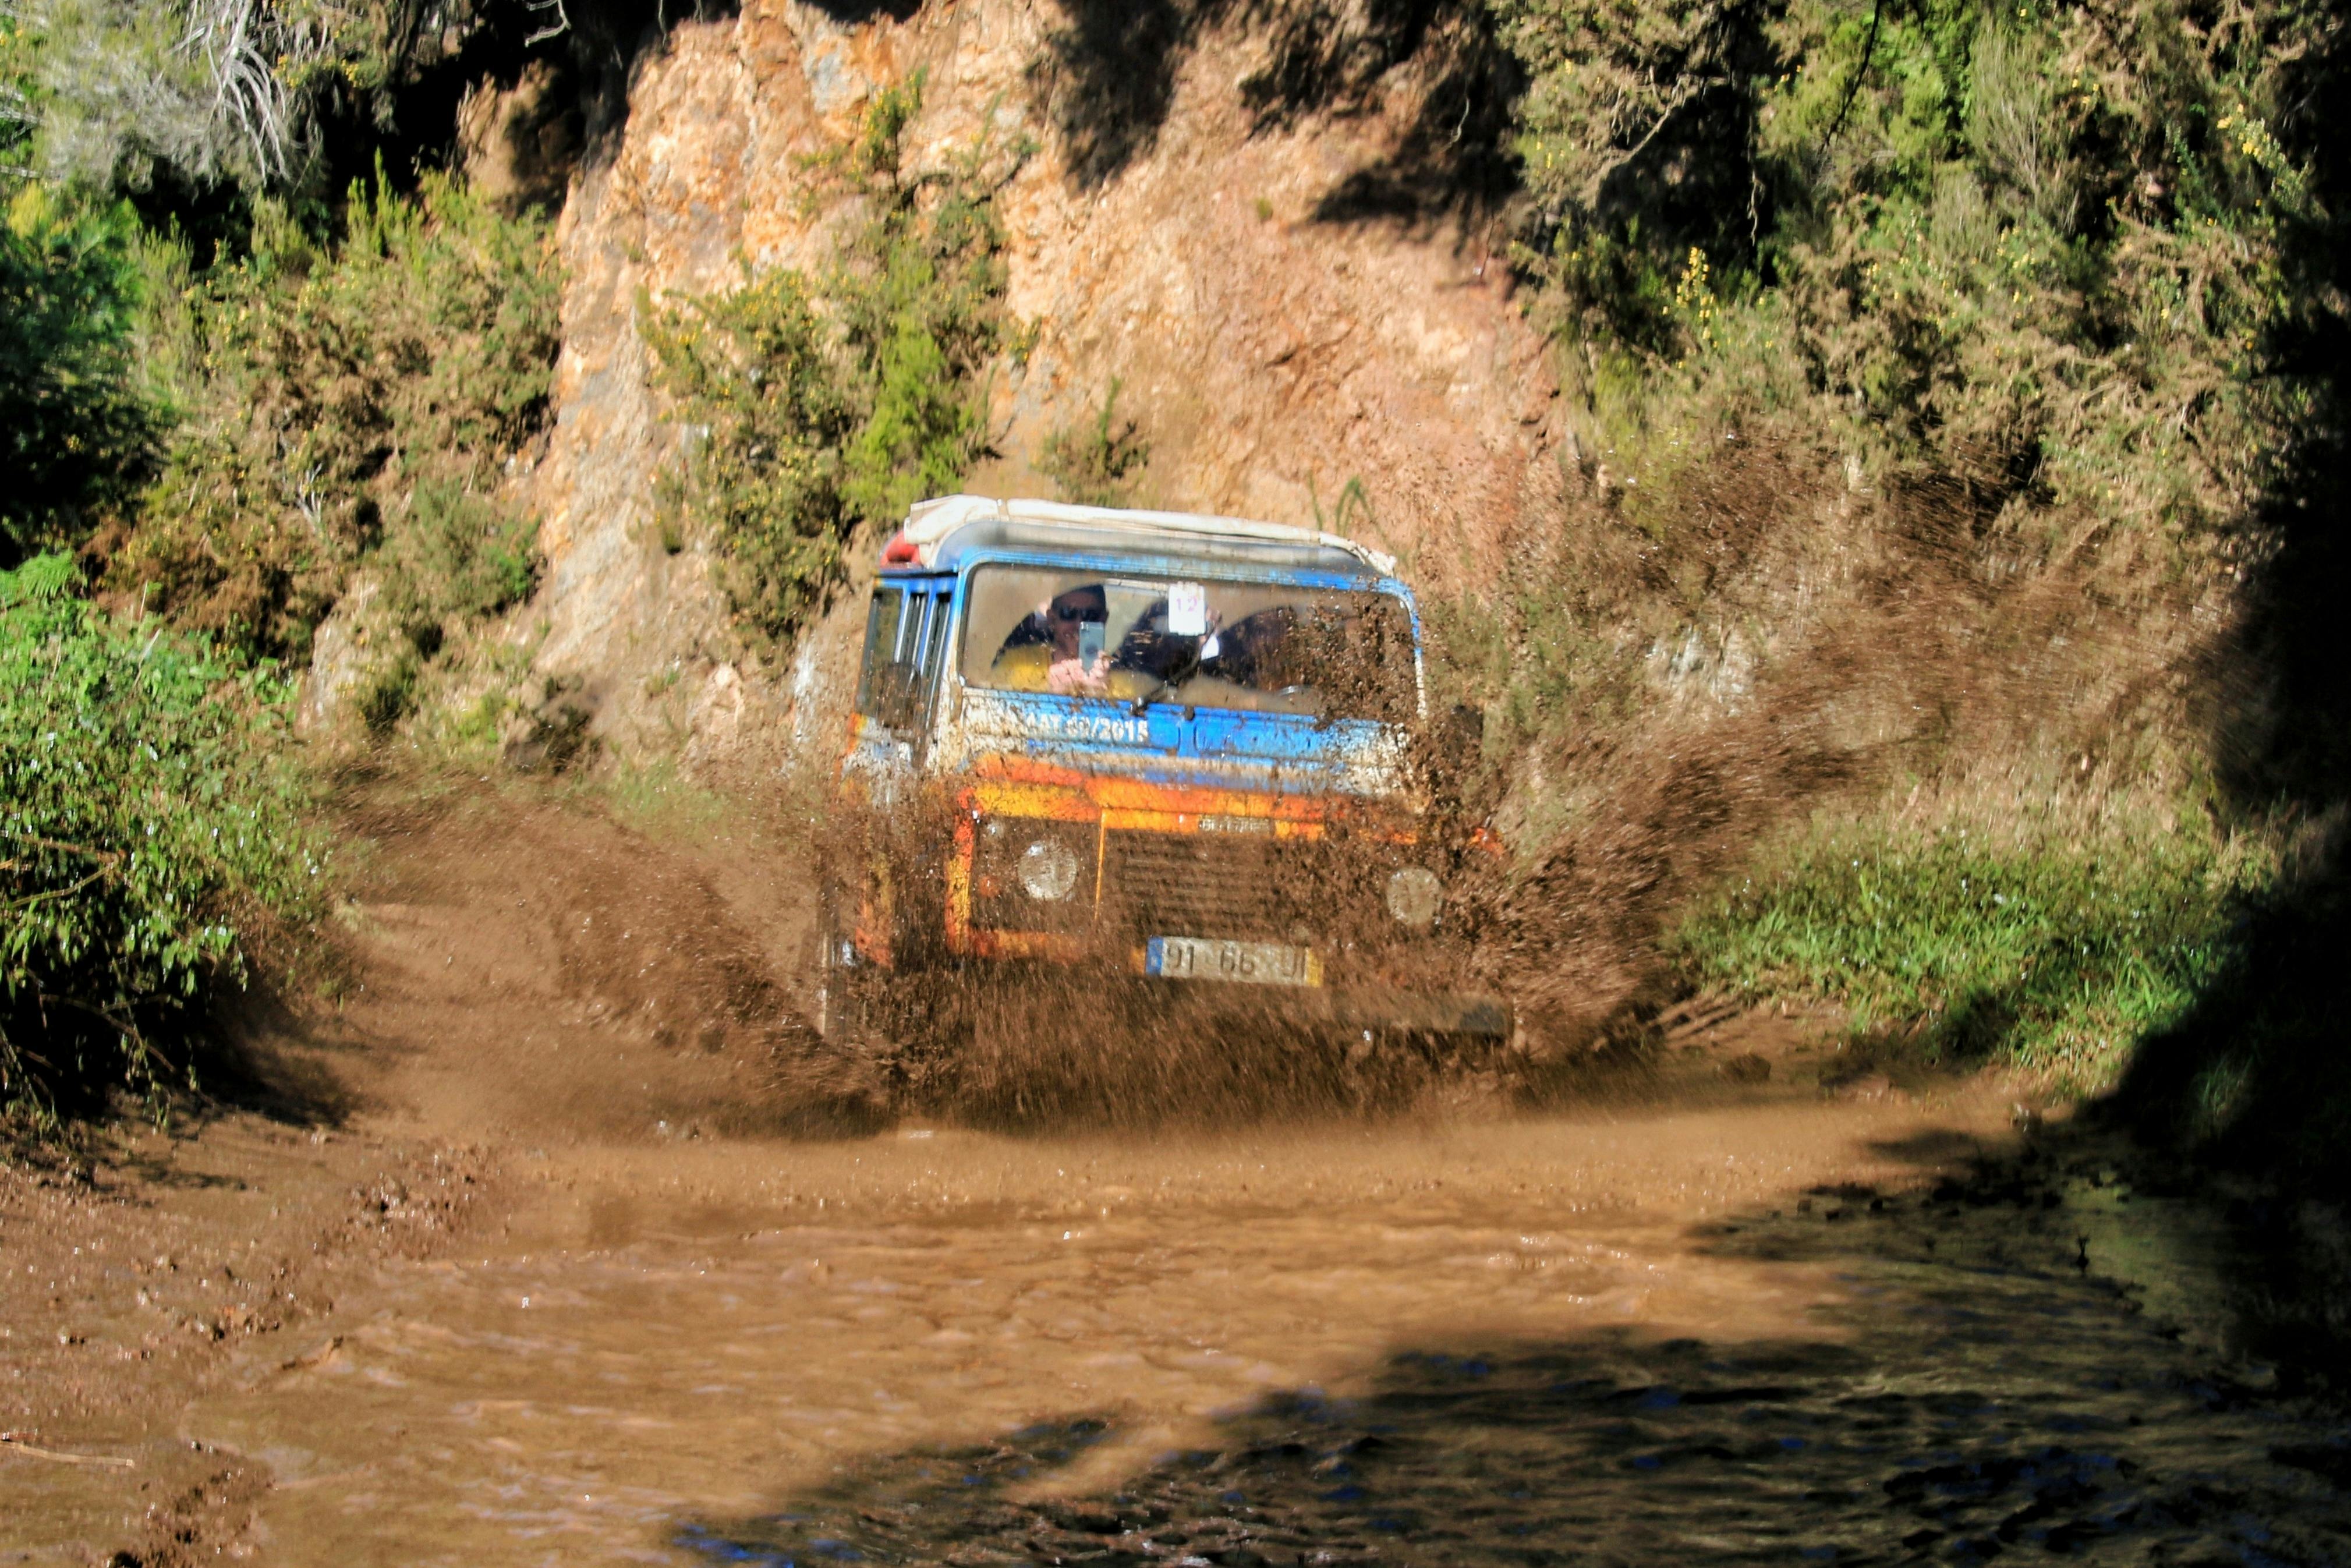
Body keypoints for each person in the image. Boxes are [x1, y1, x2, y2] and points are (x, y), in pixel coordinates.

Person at [992, 583, 1111, 695]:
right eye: (1068, 613)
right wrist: (1052, 690)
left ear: (1104, 619)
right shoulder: (1017, 664)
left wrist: (1102, 696)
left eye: (1091, 616)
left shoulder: (1119, 675)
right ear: (1052, 619)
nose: (1079, 624)